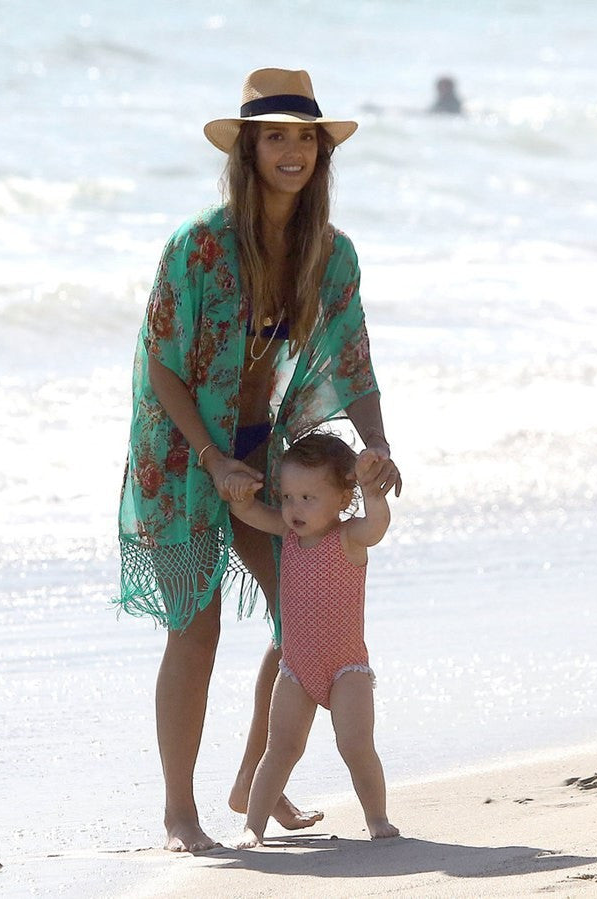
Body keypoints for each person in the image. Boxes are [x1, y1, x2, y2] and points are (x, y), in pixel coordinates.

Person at [115, 67, 401, 852]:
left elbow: (354, 363)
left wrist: (375, 444)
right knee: (195, 628)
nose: (291, 150)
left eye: (304, 137)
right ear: (248, 149)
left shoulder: (329, 254)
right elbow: (161, 364)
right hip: (180, 456)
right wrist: (211, 458)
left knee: (303, 617)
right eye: (274, 135)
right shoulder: (198, 245)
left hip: (262, 451)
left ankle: (253, 780)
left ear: (320, 151)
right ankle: (180, 813)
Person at [223, 432, 400, 846]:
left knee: (356, 745)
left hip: (347, 669)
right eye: (287, 497)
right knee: (280, 749)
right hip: (296, 669)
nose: (294, 508)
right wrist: (240, 495)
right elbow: (249, 514)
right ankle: (253, 826)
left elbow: (377, 526)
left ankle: (377, 817)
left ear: (343, 499)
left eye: (308, 498)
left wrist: (373, 492)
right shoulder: (287, 534)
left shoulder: (349, 537)